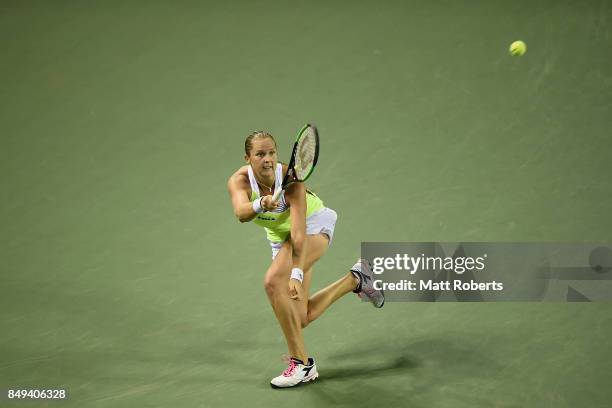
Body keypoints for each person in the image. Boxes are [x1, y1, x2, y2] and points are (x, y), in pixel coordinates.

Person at [227, 130, 384, 388]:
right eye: (260, 154)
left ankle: (301, 364)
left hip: (313, 227)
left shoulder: (292, 181)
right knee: (299, 317)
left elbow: (299, 235)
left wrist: (296, 274)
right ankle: (357, 278)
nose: (267, 159)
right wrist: (260, 204)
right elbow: (241, 213)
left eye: (271, 153)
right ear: (247, 158)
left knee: (272, 283)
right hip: (281, 240)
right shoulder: (239, 181)